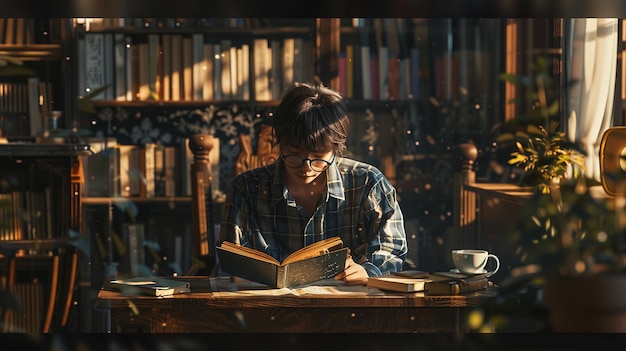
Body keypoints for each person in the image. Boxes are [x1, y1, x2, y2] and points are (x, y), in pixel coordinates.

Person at [218, 82, 408, 285]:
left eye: (318, 156)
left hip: (349, 306)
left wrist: (367, 271)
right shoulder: (246, 188)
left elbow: (392, 248)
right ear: (280, 142)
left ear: (336, 148)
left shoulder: (368, 183)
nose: (307, 167)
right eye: (295, 154)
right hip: (269, 308)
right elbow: (232, 261)